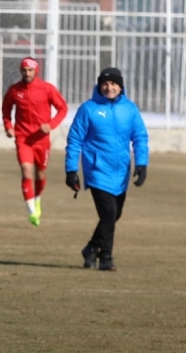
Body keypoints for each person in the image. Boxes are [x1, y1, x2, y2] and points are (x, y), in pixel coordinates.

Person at [65, 67, 148, 271]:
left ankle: (91, 248)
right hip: (97, 170)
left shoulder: (130, 109)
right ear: (99, 85)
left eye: (113, 84)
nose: (109, 87)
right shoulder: (88, 109)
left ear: (121, 86)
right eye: (105, 83)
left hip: (121, 172)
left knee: (114, 214)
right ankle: (106, 258)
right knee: (109, 213)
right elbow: (75, 139)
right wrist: (71, 170)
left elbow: (140, 137)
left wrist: (141, 163)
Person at [2, 57, 68, 226]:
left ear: (36, 71)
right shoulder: (15, 90)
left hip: (41, 139)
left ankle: (37, 198)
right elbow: (6, 109)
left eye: (30, 70)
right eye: (24, 70)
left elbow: (63, 108)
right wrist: (8, 126)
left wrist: (51, 125)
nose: (27, 73)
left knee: (40, 173)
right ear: (21, 71)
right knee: (26, 171)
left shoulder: (47, 89)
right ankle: (32, 211)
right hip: (23, 138)